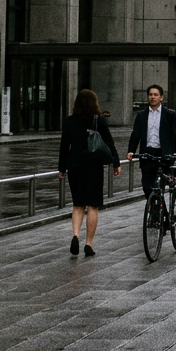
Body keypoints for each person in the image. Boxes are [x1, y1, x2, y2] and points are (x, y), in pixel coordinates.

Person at [58, 89, 121, 257]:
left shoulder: (69, 121)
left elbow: (64, 146)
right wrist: (116, 162)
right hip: (93, 165)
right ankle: (89, 243)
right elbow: (108, 142)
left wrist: (61, 168)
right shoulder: (98, 120)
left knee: (78, 204)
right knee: (93, 205)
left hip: (75, 166)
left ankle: (75, 235)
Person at [127, 84, 176, 196]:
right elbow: (135, 134)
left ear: (161, 97)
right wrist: (131, 150)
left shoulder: (169, 114)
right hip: (147, 154)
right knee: (147, 187)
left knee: (161, 186)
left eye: (155, 95)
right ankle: (153, 205)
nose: (152, 97)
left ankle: (161, 209)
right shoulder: (141, 116)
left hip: (164, 154)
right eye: (150, 95)